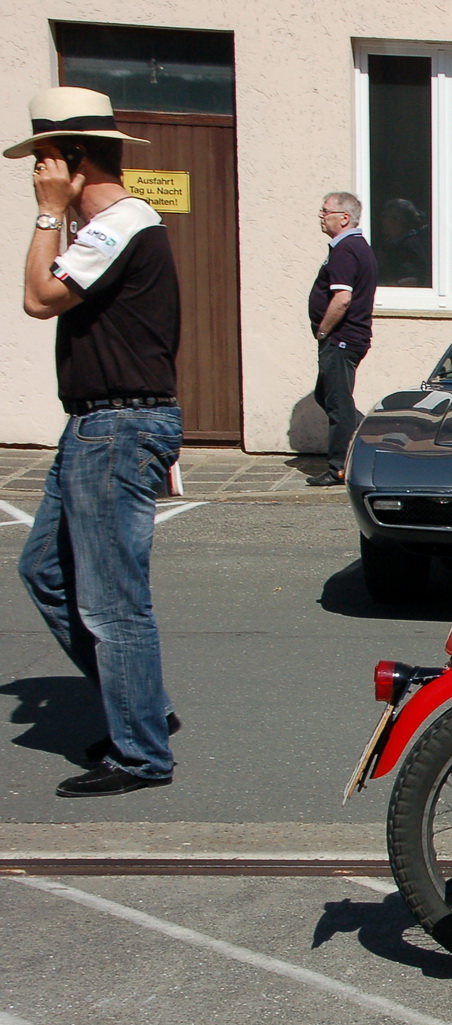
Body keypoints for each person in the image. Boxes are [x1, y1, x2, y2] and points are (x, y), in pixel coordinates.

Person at [10, 87, 183, 797]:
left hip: (116, 427)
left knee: (113, 602)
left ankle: (142, 752)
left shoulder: (119, 225)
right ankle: (141, 708)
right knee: (45, 572)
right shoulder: (111, 228)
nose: (35, 174)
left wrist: (48, 212)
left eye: (43, 160)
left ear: (71, 160)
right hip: (99, 424)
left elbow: (38, 298)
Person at [306, 191, 377, 486]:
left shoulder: (346, 250)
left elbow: (342, 298)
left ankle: (339, 467)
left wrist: (324, 331)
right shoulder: (351, 247)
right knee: (327, 396)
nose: (321, 217)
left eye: (326, 211)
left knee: (338, 404)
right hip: (345, 339)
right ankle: (368, 438)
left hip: (342, 339)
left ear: (344, 218)